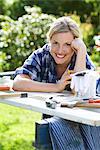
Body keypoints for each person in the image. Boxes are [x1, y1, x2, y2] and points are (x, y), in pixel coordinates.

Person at [13, 16, 100, 150]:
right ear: (49, 41)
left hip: (83, 117)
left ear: (75, 45)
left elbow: (81, 92)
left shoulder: (80, 57)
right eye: (55, 43)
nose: (60, 50)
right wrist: (56, 86)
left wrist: (82, 50)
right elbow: (18, 83)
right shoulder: (42, 55)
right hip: (52, 116)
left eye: (67, 44)